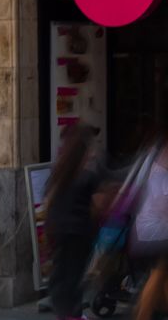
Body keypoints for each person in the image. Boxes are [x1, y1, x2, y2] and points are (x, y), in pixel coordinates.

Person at [45, 123, 103, 320]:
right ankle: (72, 316)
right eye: (91, 147)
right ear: (83, 150)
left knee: (62, 278)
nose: (94, 152)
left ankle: (68, 314)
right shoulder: (88, 176)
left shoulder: (59, 172)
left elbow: (48, 202)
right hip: (78, 234)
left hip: (60, 232)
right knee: (73, 279)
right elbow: (98, 205)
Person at [132, 138, 168, 320]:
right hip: (156, 232)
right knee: (159, 271)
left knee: (160, 273)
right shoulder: (161, 173)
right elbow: (163, 206)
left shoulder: (154, 167)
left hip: (149, 230)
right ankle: (143, 315)